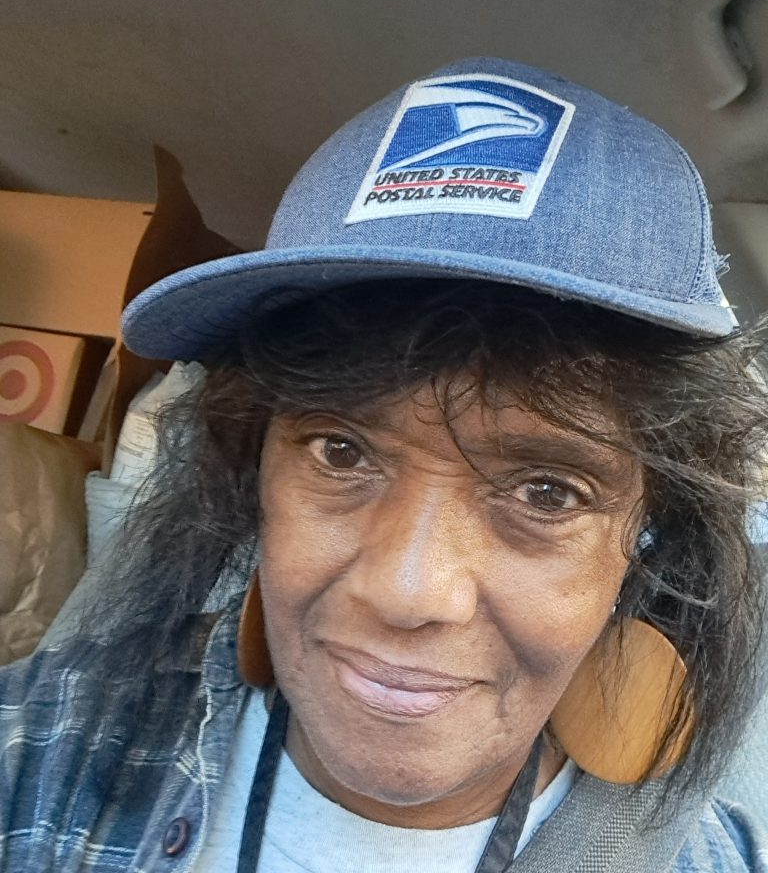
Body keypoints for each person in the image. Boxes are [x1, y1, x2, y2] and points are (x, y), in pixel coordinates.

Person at [1, 57, 767, 873]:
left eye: (548, 492)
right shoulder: (37, 752)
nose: (408, 593)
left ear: (646, 540)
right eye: (341, 451)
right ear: (255, 473)